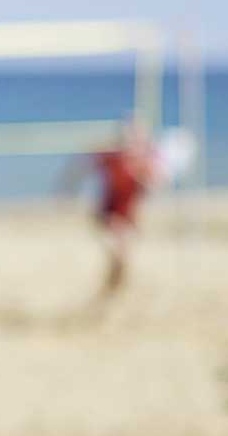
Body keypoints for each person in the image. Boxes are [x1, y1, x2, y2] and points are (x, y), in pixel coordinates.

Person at [63, 120, 162, 301]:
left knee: (122, 263)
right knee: (118, 255)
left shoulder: (143, 163)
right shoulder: (113, 158)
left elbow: (154, 186)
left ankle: (111, 292)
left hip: (128, 218)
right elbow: (83, 163)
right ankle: (108, 293)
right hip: (108, 215)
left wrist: (148, 173)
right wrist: (69, 188)